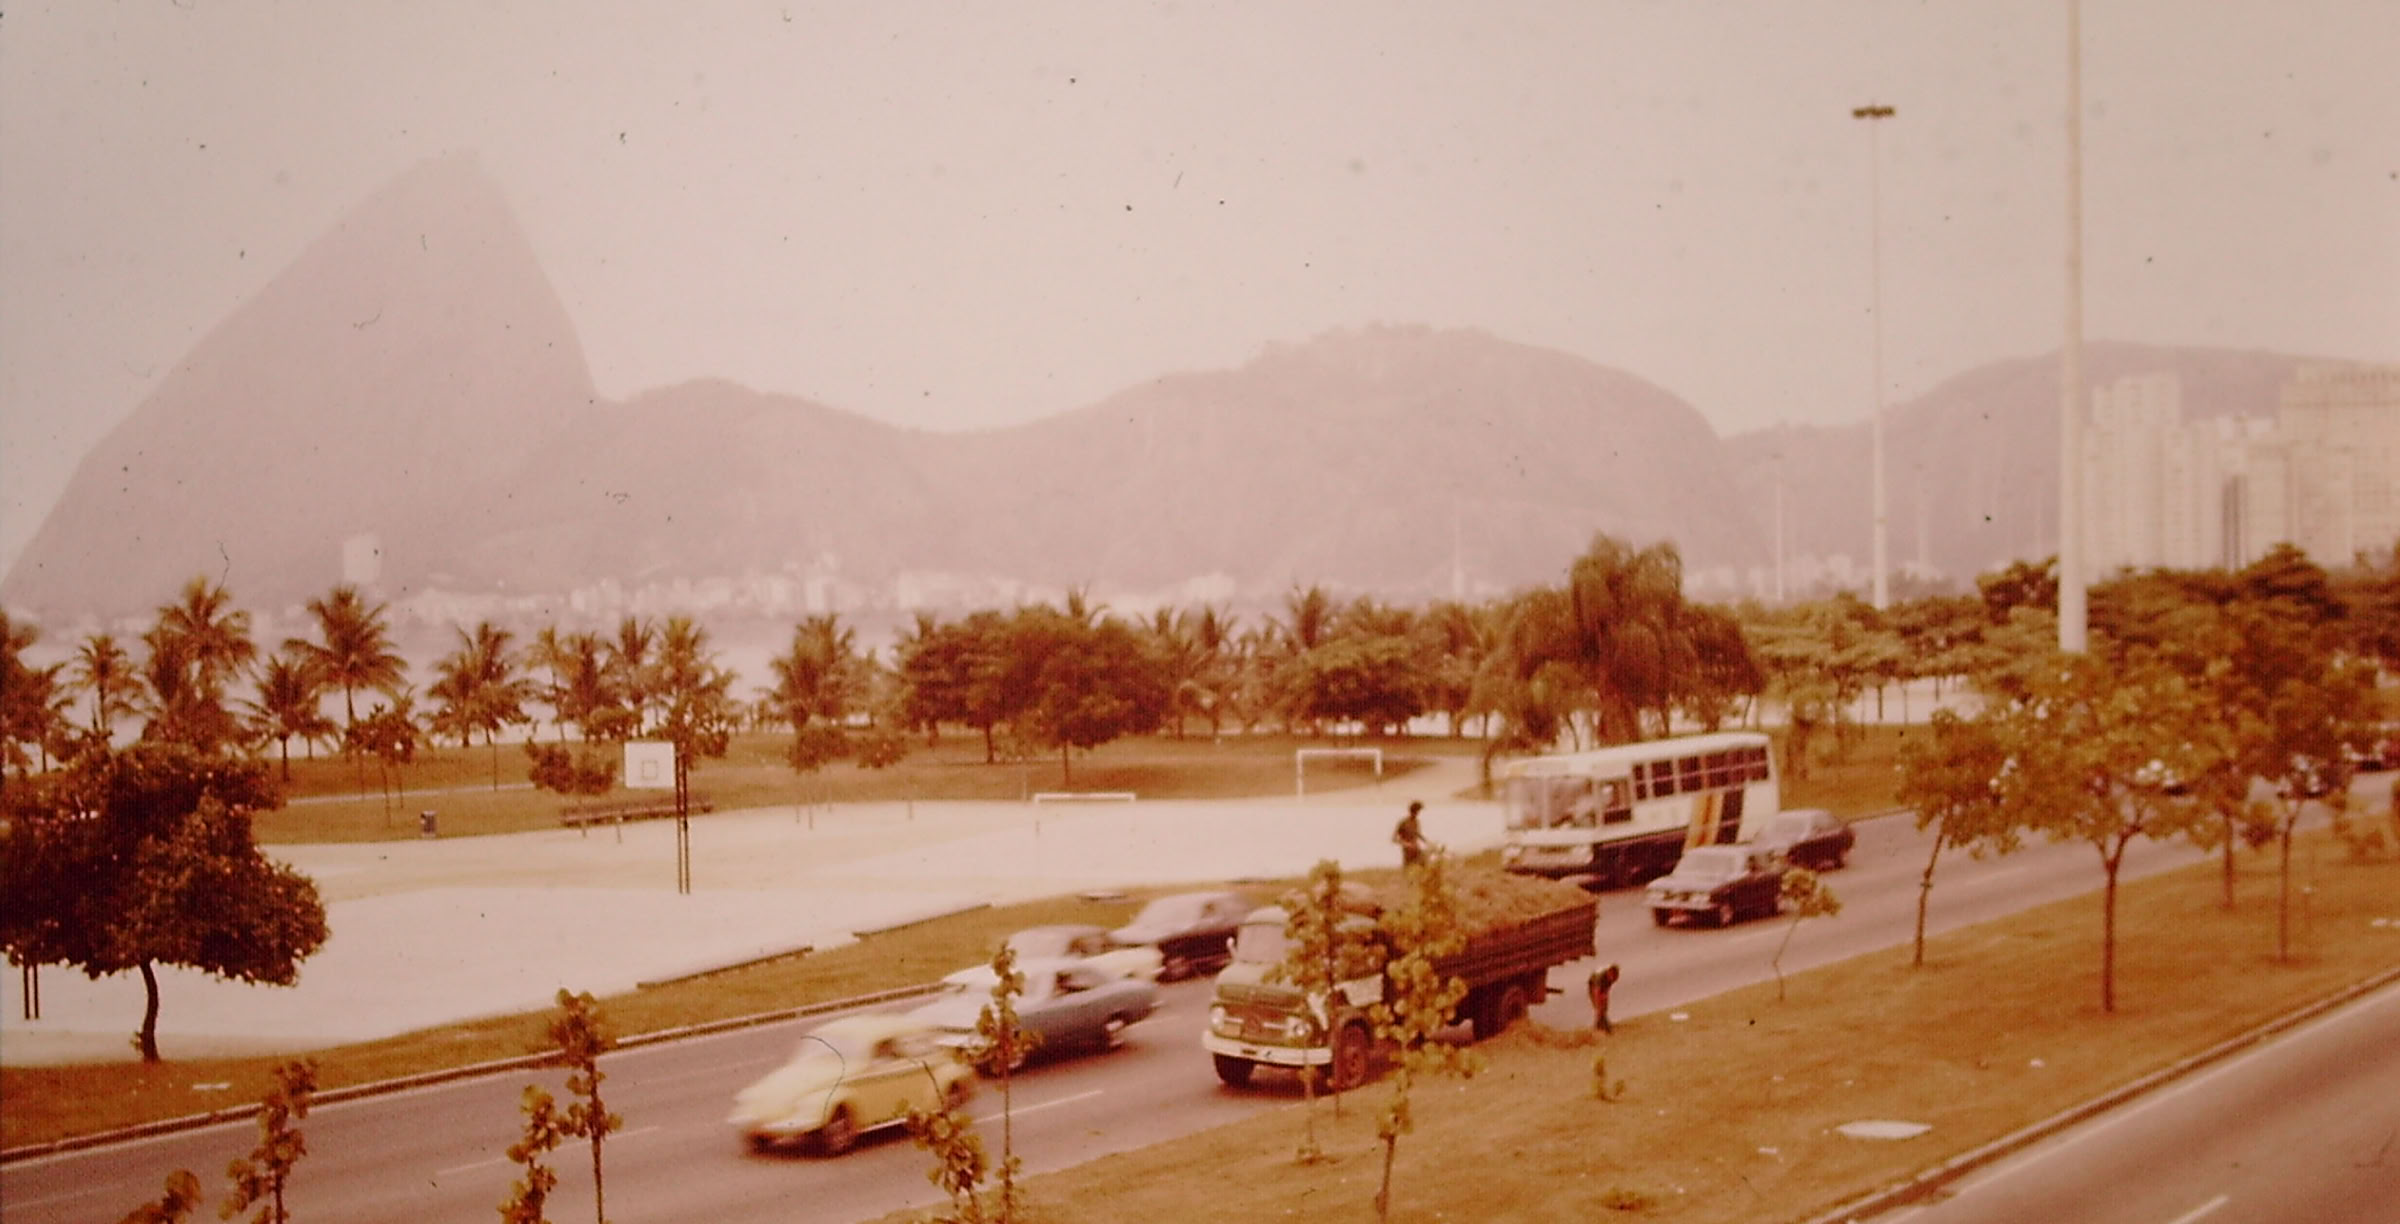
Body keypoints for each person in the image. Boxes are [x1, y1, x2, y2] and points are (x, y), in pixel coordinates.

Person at [1587, 963, 1620, 1033]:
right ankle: (1599, 1026)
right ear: (1610, 973)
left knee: (1604, 1007)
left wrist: (1605, 1001)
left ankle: (1602, 1024)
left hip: (1600, 987)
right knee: (1599, 1008)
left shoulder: (1611, 978)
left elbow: (1607, 990)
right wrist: (1599, 1003)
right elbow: (1596, 993)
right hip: (1593, 987)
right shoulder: (1600, 978)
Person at [1394, 800, 1425, 868]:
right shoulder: (1403, 822)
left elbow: (1417, 834)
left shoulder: (1416, 822)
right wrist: (1406, 844)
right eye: (1417, 811)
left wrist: (1427, 841)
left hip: (1416, 849)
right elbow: (1394, 839)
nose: (1417, 814)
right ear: (1413, 811)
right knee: (1408, 869)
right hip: (1407, 851)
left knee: (1423, 866)